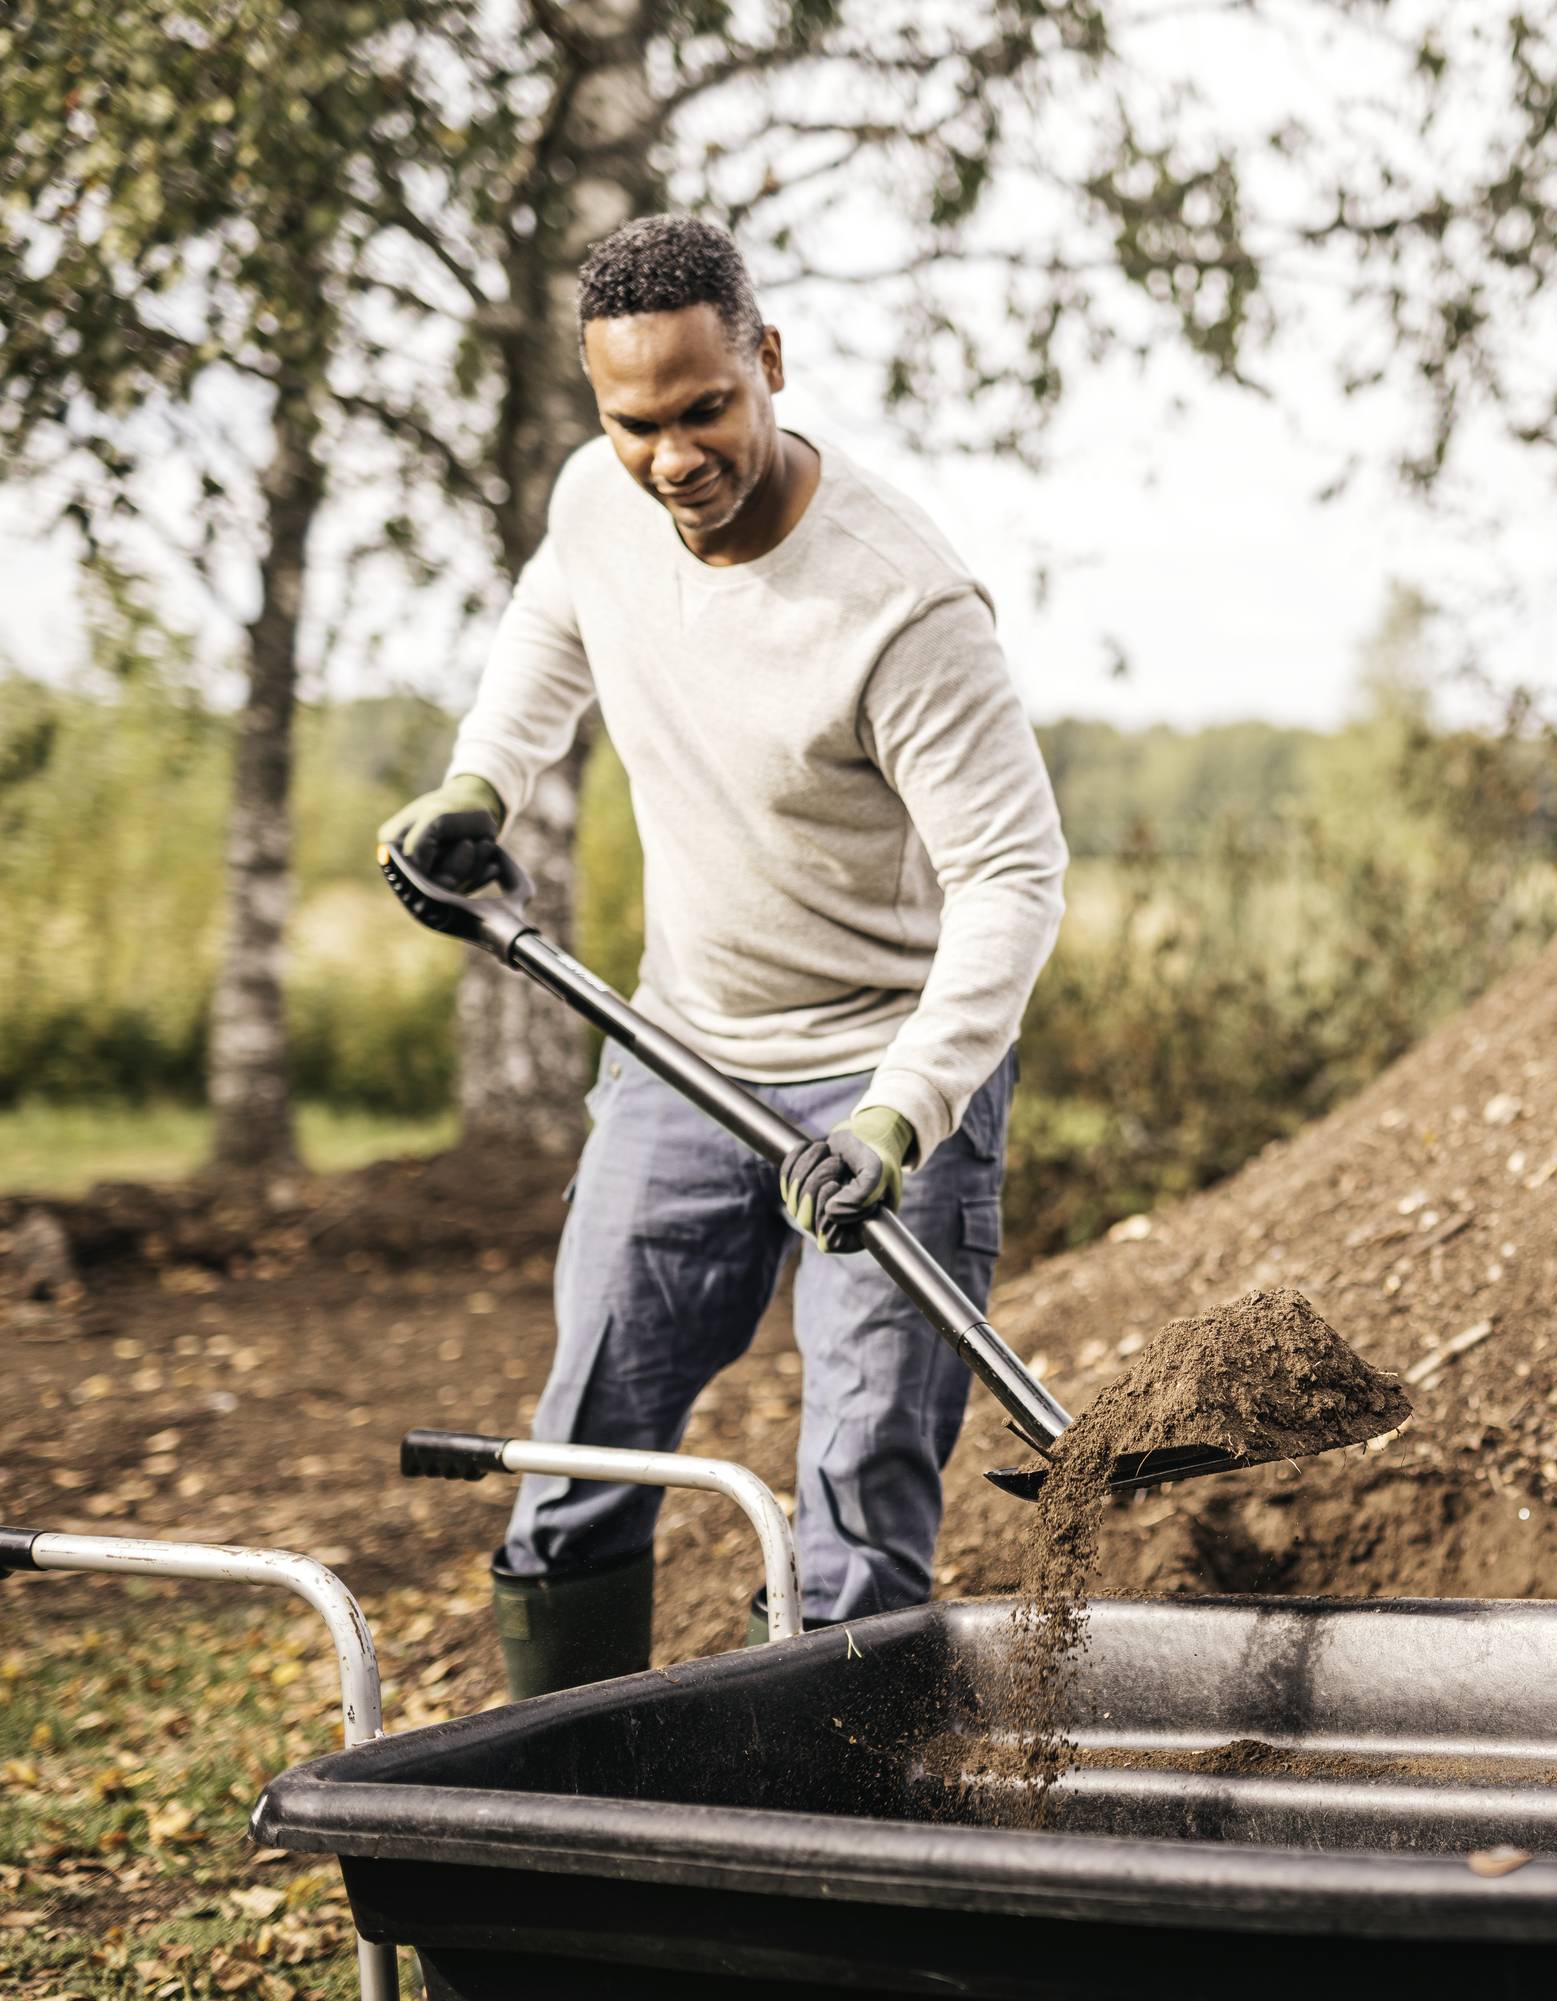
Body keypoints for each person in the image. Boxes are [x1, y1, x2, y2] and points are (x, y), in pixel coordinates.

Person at [378, 214, 1066, 1697]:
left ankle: (814, 1817)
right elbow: (556, 614)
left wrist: (903, 1115)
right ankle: (560, 1801)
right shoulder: (599, 499)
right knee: (584, 1447)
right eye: (636, 423)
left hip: (887, 1072)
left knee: (860, 1497)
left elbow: (1013, 877)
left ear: (770, 362)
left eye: (706, 410)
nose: (673, 457)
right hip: (683, 1053)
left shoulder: (900, 604)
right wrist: (482, 779)